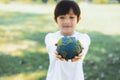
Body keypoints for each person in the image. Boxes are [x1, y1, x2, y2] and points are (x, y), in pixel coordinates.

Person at [45, 0, 91, 80]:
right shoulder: (50, 37)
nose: (67, 21)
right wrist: (57, 51)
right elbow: (52, 46)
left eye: (71, 17)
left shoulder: (84, 38)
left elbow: (83, 45)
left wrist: (80, 51)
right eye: (62, 17)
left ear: (78, 19)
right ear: (56, 19)